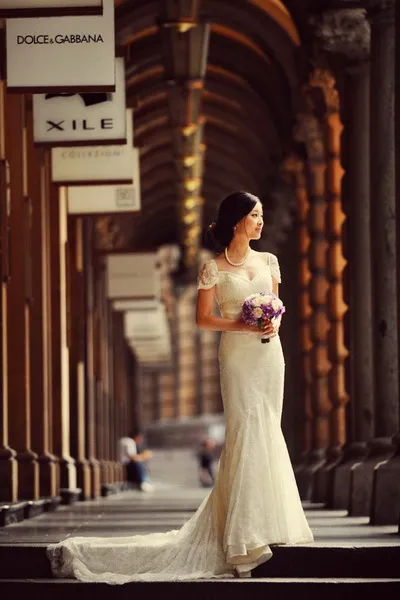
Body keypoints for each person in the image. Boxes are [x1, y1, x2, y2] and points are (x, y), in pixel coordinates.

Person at [47, 191, 313, 584]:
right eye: (254, 216)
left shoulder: (270, 261)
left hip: (269, 356)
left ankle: (270, 522)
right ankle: (241, 538)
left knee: (268, 428)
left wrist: (273, 323)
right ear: (238, 220)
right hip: (237, 358)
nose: (260, 222)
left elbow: (276, 307)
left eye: (260, 215)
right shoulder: (213, 268)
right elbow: (204, 319)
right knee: (244, 430)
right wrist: (241, 323)